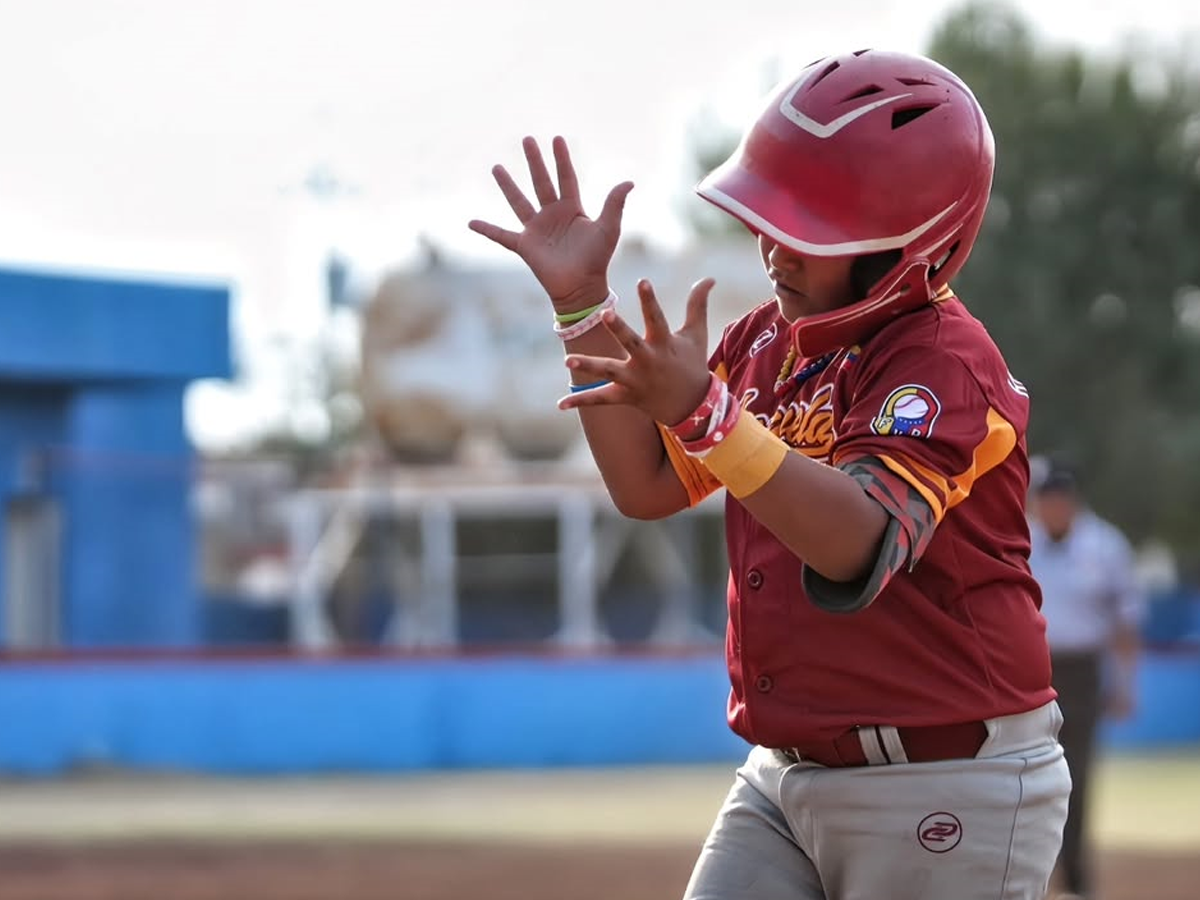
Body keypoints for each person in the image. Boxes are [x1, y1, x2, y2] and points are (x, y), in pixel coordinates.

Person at [470, 48, 1070, 900]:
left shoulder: (945, 363)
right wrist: (582, 308)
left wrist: (707, 417)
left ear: (908, 244)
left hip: (948, 781)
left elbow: (855, 543)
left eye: (810, 229)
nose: (774, 248)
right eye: (770, 215)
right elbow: (645, 487)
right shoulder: (765, 341)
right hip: (784, 777)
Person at [1029, 459, 1144, 900]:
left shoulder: (1105, 545)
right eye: (1046, 500)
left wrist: (1125, 682)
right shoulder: (1022, 539)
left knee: (1076, 777)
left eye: (1060, 500)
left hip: (1081, 673)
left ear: (1073, 502)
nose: (1053, 508)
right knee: (1024, 775)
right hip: (1032, 670)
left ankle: (1075, 880)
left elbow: (1125, 621)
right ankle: (1029, 878)